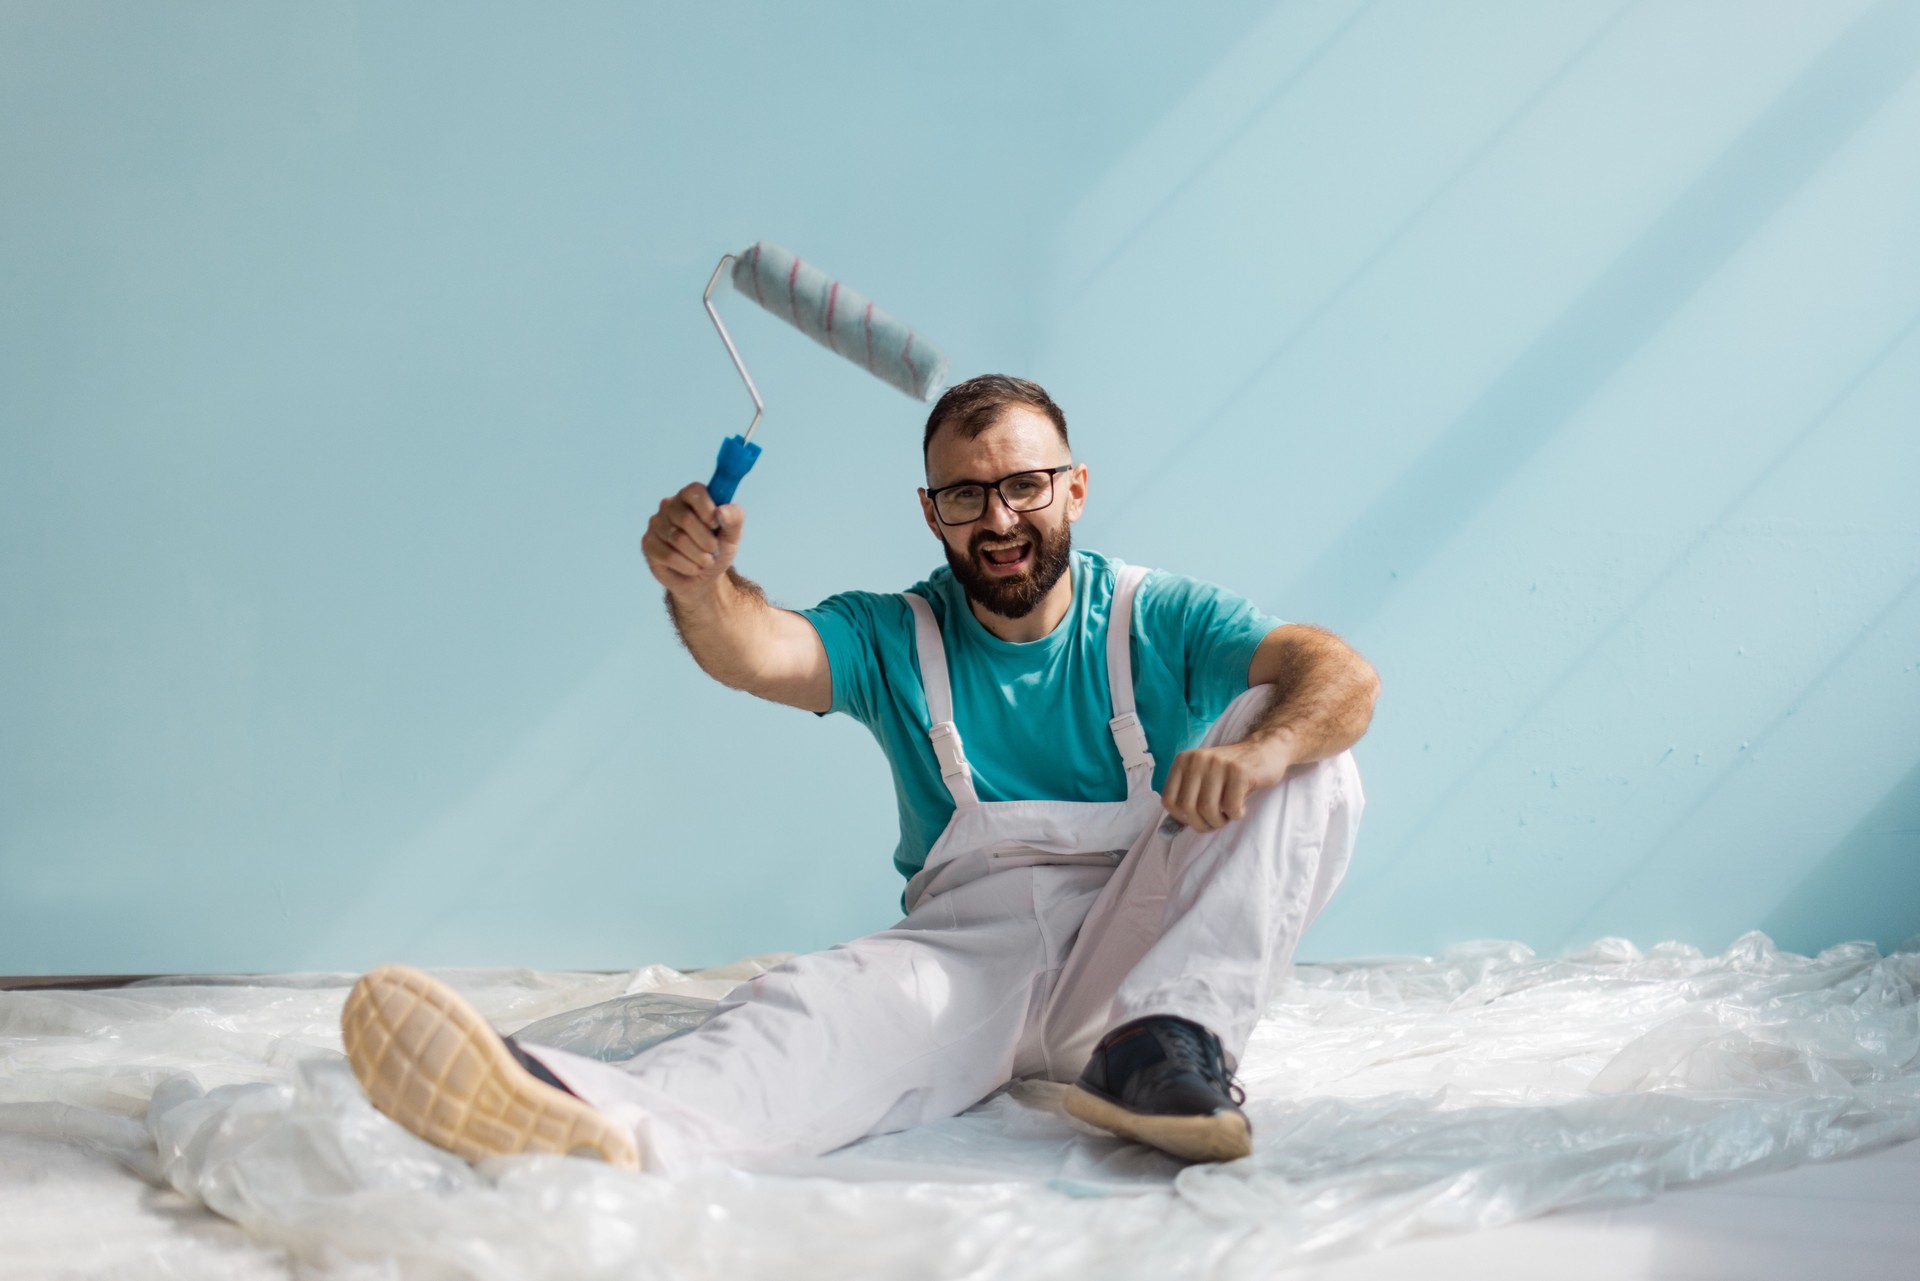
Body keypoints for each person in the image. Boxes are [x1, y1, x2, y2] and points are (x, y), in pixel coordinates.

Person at [341, 374, 1378, 1173]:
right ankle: (575, 1116)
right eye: (968, 496)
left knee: (1311, 752)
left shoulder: (1160, 615)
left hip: (1142, 945)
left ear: (1074, 489)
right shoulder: (897, 634)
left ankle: (1169, 1047)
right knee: (816, 1008)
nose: (1000, 519)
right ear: (933, 513)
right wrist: (703, 585)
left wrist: (1260, 750)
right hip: (973, 952)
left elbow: (1338, 673)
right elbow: (758, 648)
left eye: (1023, 486)